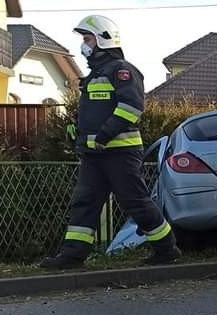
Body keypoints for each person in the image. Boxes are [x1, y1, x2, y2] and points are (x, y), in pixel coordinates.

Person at [39, 15, 180, 269]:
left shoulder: (122, 71)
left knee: (134, 201)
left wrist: (104, 135)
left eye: (87, 38)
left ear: (103, 39)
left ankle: (167, 249)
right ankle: (73, 256)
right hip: (94, 154)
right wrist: (78, 133)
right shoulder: (95, 75)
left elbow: (131, 108)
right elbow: (97, 113)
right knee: (85, 202)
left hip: (120, 152)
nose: (84, 45)